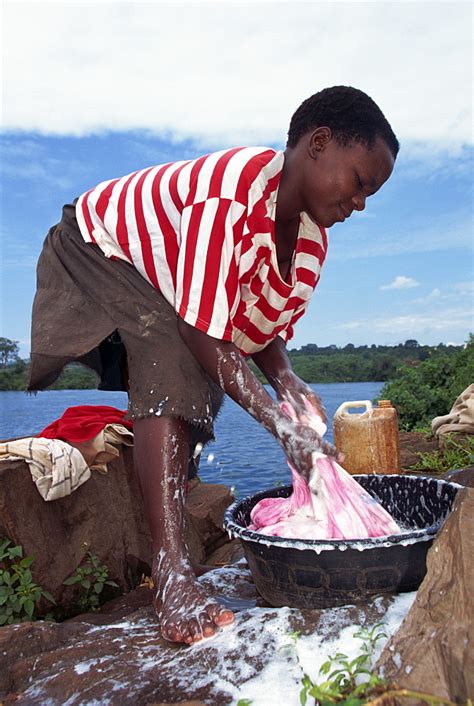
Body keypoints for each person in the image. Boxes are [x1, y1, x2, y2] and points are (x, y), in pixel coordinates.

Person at [28, 86, 399, 645]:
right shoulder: (232, 194)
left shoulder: (311, 242)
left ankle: (172, 498)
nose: (362, 203)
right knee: (174, 354)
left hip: (163, 284)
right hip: (94, 244)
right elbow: (202, 331)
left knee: (199, 372)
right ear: (319, 144)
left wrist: (290, 383)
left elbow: (256, 330)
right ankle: (171, 573)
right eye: (360, 182)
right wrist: (280, 425)